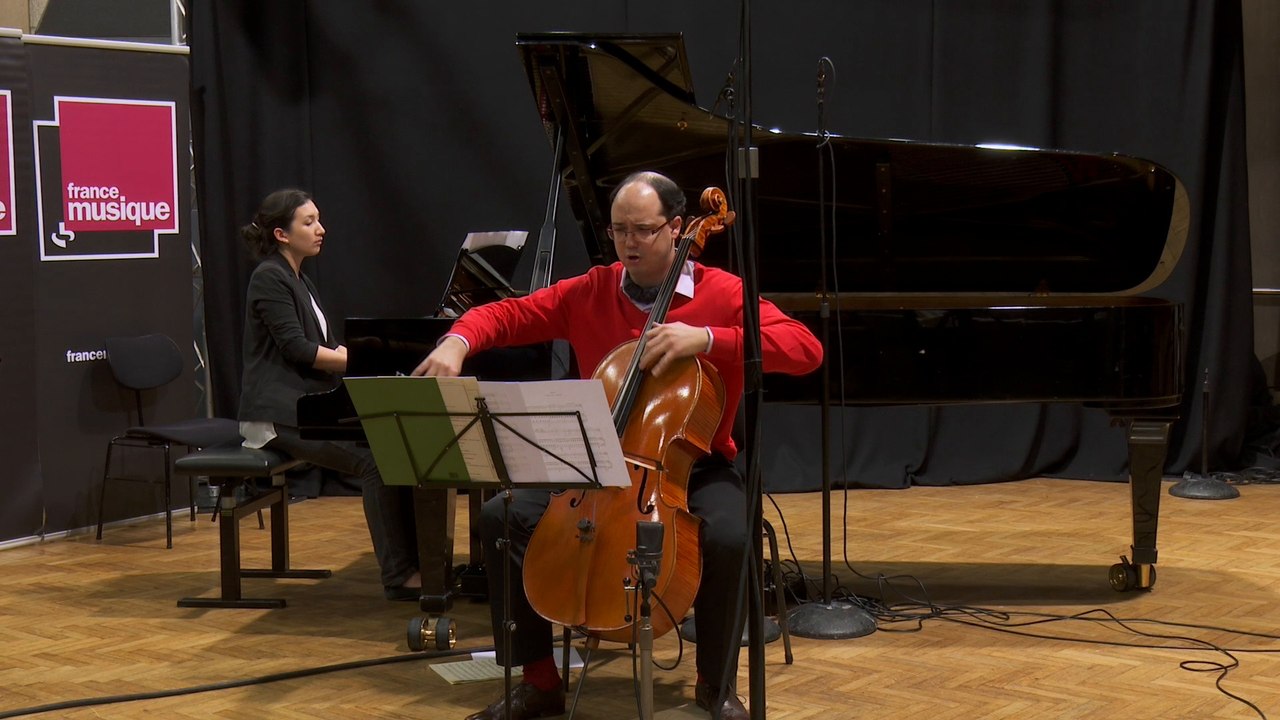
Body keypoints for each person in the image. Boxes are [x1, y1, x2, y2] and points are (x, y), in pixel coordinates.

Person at [413, 171, 823, 720]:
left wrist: (708, 338)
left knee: (728, 535)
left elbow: (805, 349)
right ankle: (538, 681)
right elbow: (508, 314)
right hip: (599, 464)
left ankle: (715, 684)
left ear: (678, 229)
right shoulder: (593, 289)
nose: (629, 242)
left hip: (694, 467)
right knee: (500, 516)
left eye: (644, 230)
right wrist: (458, 342)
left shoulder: (722, 294)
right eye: (619, 230)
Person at [237, 188, 421, 601]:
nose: (321, 229)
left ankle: (421, 560)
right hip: (278, 414)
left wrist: (363, 360)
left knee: (398, 446)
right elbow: (299, 350)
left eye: (318, 220)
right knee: (376, 464)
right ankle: (398, 575)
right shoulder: (269, 277)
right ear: (282, 234)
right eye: (309, 222)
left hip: (307, 405)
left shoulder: (299, 279)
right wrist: (368, 361)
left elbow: (330, 348)